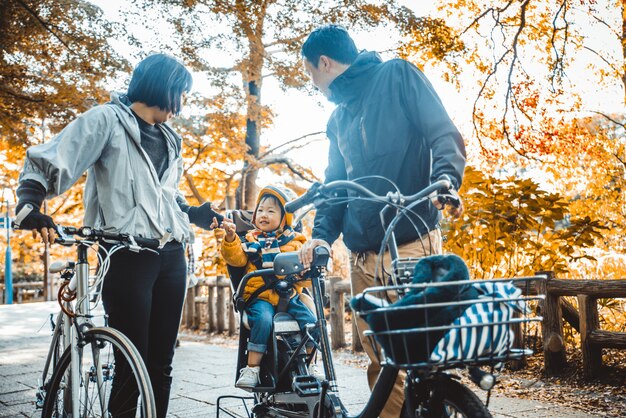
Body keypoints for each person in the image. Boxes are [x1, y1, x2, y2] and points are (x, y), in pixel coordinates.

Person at [14, 53, 222, 417]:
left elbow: (164, 196)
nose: (180, 105)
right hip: (124, 256)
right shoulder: (107, 120)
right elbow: (55, 156)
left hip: (171, 256)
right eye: (180, 94)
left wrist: (193, 213)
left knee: (161, 361)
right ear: (163, 88)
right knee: (131, 359)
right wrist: (30, 201)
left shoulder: (171, 140)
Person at [298, 25, 466, 417]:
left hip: (410, 242)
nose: (313, 82)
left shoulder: (397, 76)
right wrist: (321, 237)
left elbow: (443, 133)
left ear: (324, 63)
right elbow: (335, 187)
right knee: (383, 364)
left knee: (421, 360)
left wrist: (445, 180)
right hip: (362, 258)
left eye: (310, 72)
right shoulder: (338, 119)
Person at [213, 185, 319, 389]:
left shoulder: (296, 243)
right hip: (260, 297)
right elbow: (235, 259)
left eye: (271, 211)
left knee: (311, 321)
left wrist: (304, 270)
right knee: (263, 320)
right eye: (260, 210)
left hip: (289, 296)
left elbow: (304, 275)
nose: (263, 214)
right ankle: (252, 368)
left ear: (284, 218)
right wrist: (230, 239)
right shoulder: (251, 240)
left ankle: (311, 363)